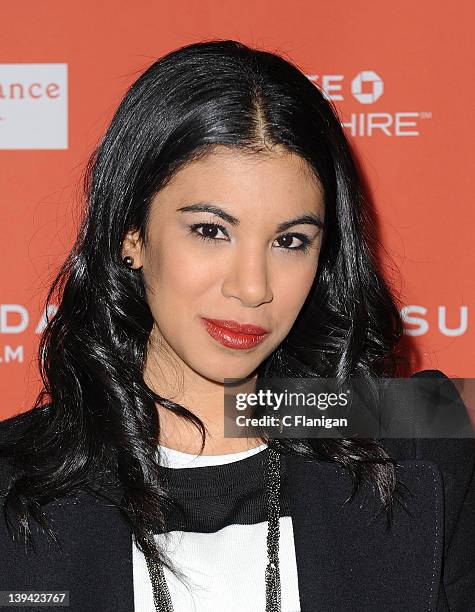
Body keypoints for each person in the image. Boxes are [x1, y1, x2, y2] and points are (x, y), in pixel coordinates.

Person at [0, 39, 473, 612]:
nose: (253, 287)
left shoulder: (419, 436)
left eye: (290, 241)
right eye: (210, 230)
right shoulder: (15, 477)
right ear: (131, 233)